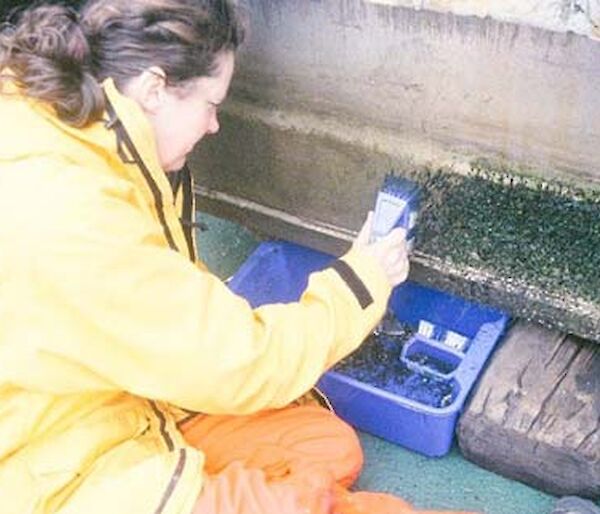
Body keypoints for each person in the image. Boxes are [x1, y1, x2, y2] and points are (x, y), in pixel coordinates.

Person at [0, 1, 476, 513]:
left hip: (103, 400)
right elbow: (242, 363)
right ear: (155, 88)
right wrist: (362, 282)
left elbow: (175, 320)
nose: (213, 126)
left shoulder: (73, 124)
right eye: (211, 104)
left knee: (324, 446)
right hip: (46, 468)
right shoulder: (72, 214)